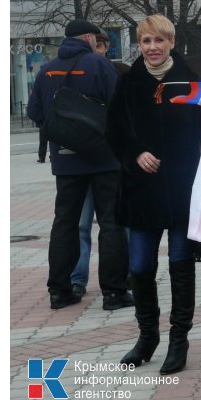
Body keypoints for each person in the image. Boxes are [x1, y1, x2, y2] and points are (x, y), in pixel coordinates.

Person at [106, 14, 201, 375]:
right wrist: (135, 152)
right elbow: (114, 130)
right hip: (141, 191)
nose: (152, 48)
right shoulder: (129, 82)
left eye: (158, 41)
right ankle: (147, 337)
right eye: (146, 41)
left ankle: (179, 340)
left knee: (180, 264)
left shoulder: (191, 82)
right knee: (139, 267)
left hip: (180, 189)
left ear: (171, 43)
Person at [27, 18, 134, 310]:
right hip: (104, 158)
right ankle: (114, 292)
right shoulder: (100, 66)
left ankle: (60, 291)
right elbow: (119, 109)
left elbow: (35, 112)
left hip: (65, 161)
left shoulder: (47, 71)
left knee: (65, 223)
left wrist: (65, 137)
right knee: (111, 223)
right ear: (88, 38)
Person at [68, 28, 133, 301]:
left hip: (108, 158)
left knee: (117, 223)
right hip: (84, 158)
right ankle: (78, 278)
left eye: (105, 45)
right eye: (98, 44)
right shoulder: (76, 71)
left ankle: (124, 272)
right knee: (82, 224)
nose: (100, 49)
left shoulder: (118, 70)